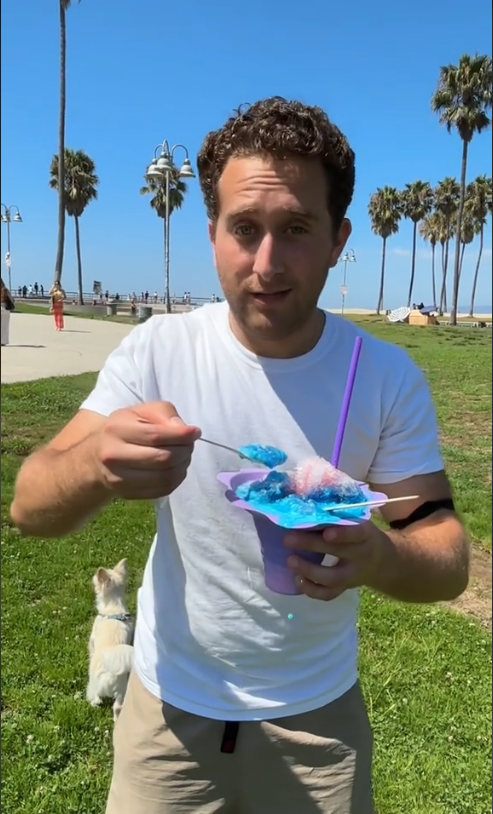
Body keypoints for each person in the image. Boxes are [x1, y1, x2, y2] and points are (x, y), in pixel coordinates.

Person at [11, 98, 469, 814]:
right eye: (243, 229)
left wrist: (380, 558)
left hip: (319, 727)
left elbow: (444, 552)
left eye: (294, 229)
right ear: (213, 232)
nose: (265, 262)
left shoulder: (380, 378)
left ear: (337, 239)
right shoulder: (160, 352)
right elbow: (29, 507)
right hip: (166, 720)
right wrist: (97, 462)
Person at [1, 278, 15, 345]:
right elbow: (12, 299)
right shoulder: (6, 290)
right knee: (5, 326)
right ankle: (3, 340)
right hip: (6, 308)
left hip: (2, 307)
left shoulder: (2, 291)